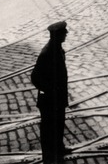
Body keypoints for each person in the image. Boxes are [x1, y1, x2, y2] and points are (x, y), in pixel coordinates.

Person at [31, 21, 70, 164]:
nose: (66, 34)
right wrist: (50, 91)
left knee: (59, 123)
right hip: (49, 100)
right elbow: (35, 77)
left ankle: (59, 148)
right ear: (57, 35)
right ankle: (48, 158)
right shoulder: (47, 53)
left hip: (58, 98)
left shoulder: (58, 49)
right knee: (48, 129)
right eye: (64, 32)